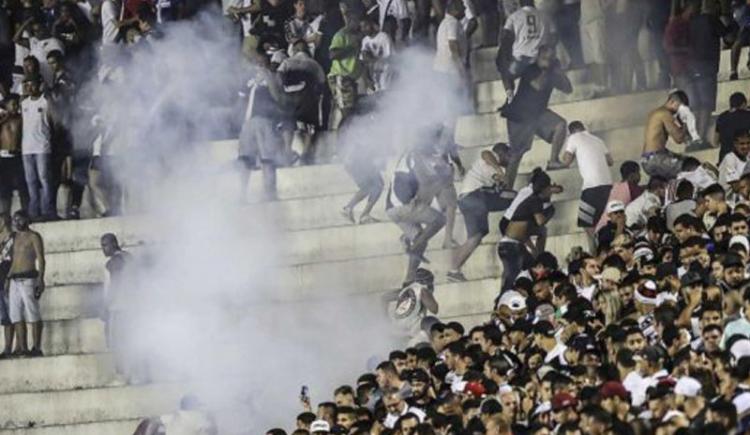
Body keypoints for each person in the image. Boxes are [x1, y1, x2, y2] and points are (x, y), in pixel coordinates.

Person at [499, 45, 572, 188]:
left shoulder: (552, 72)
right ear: (538, 56)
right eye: (546, 58)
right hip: (520, 115)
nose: (549, 61)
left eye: (551, 58)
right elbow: (538, 85)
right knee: (517, 154)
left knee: (560, 125)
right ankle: (507, 188)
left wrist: (560, 73)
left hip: (537, 114)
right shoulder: (531, 69)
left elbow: (568, 89)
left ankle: (553, 160)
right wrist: (546, 71)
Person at [447, 143, 515, 282]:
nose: (510, 159)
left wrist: (501, 179)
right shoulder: (492, 156)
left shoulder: (496, 169)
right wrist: (500, 171)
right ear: (501, 154)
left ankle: (454, 268)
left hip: (470, 199)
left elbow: (498, 184)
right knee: (515, 197)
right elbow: (486, 153)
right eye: (508, 156)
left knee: (476, 236)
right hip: (474, 196)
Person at [386, 144, 448, 285]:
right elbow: (425, 182)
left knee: (422, 237)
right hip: (403, 206)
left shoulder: (408, 155)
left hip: (392, 209)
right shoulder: (416, 154)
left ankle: (408, 280)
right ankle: (413, 247)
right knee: (439, 220)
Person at [497, 168, 557, 291]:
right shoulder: (534, 200)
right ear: (545, 188)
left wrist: (534, 250)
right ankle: (502, 302)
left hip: (513, 244)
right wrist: (550, 210)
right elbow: (540, 221)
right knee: (512, 278)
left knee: (529, 270)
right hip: (511, 246)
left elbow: (525, 233)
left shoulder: (533, 199)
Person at [238, 54, 287, 202]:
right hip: (249, 122)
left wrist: (268, 78)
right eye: (256, 62)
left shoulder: (273, 77)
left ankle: (269, 193)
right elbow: (241, 100)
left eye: (262, 62)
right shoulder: (248, 80)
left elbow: (278, 97)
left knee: (267, 159)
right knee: (245, 159)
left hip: (266, 120)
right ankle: (242, 194)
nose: (259, 65)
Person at [558, 121, 613, 245]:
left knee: (586, 222)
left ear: (571, 131)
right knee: (602, 218)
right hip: (608, 185)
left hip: (591, 186)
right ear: (584, 128)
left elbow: (566, 161)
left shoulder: (573, 138)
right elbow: (610, 161)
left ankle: (597, 247)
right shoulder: (598, 140)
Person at [7, 210, 44, 357]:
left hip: (29, 278)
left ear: (27, 219)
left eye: (19, 220)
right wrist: (7, 278)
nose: (16, 223)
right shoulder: (14, 237)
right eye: (14, 220)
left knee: (33, 313)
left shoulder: (34, 236)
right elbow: (12, 260)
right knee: (16, 315)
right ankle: (23, 347)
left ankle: (36, 347)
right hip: (14, 279)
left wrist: (41, 278)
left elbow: (41, 259)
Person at [20, 77, 56, 221]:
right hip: (26, 148)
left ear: (39, 85)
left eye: (32, 84)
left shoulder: (45, 102)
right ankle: (34, 212)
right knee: (30, 180)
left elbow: (54, 122)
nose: (30, 88)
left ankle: (49, 210)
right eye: (27, 85)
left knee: (44, 179)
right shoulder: (23, 103)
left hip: (42, 146)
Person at [497, 0, 548, 95]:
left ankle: (510, 93)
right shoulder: (543, 16)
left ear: (520, 2)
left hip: (521, 61)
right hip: (539, 60)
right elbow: (554, 35)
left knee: (503, 67)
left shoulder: (514, 17)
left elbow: (505, 40)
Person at [641, 90, 690, 180]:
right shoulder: (665, 113)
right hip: (656, 159)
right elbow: (679, 139)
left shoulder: (656, 112)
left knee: (685, 159)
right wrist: (685, 120)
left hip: (648, 158)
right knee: (689, 168)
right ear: (672, 102)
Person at [384, 268, 439, 344]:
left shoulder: (405, 289)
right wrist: (430, 296)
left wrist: (385, 318)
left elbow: (384, 297)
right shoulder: (423, 290)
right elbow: (434, 309)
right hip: (412, 329)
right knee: (431, 322)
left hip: (396, 328)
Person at [327, 12, 361, 131]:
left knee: (351, 113)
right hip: (340, 77)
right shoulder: (341, 35)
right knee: (348, 114)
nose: (359, 24)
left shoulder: (357, 35)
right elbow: (332, 54)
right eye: (358, 20)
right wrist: (351, 48)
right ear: (350, 20)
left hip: (350, 79)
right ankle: (342, 145)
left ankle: (346, 144)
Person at [0, 94, 28, 216]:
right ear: (6, 106)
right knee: (5, 188)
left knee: (23, 186)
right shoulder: (2, 120)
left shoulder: (21, 119)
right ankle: (5, 214)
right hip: (3, 157)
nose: (15, 107)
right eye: (13, 104)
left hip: (18, 156)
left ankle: (26, 212)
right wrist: (4, 119)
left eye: (17, 104)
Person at [715, 92, 750, 163]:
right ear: (743, 104)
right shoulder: (748, 115)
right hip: (743, 162)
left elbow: (715, 142)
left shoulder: (722, 117)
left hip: (725, 161)